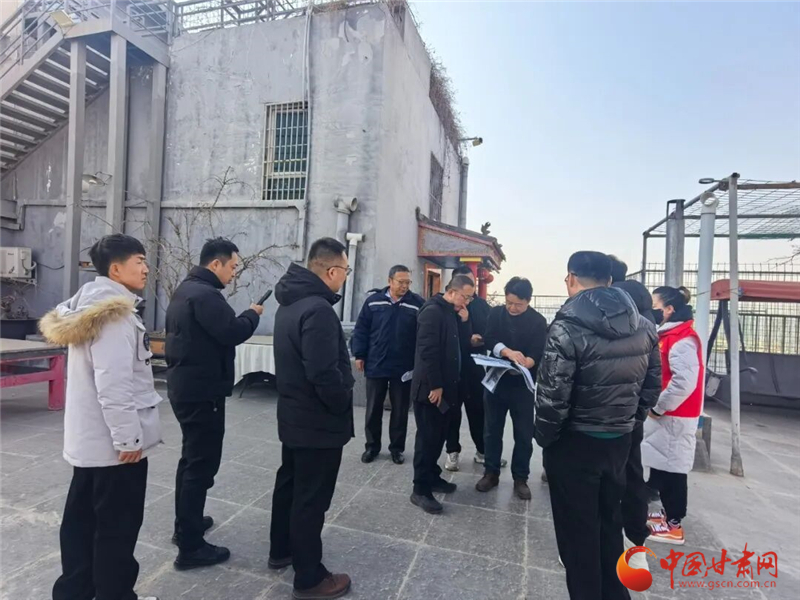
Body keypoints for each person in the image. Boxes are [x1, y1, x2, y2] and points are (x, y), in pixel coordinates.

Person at [40, 234, 162, 600]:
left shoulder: (86, 307)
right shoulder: (114, 316)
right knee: (116, 529)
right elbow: (114, 385)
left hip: (90, 443)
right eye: (139, 261)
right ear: (116, 269)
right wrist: (128, 439)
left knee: (81, 523)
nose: (146, 268)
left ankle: (74, 592)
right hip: (114, 449)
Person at [535, 251, 661, 600]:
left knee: (578, 538)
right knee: (609, 525)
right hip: (618, 442)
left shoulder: (566, 326)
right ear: (609, 280)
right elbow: (652, 387)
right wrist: (627, 422)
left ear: (571, 279)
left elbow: (552, 396)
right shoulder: (644, 326)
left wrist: (547, 441)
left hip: (574, 444)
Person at [166, 238, 262, 569]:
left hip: (187, 388)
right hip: (201, 393)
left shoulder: (187, 289)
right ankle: (191, 547)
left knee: (190, 461)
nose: (234, 273)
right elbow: (232, 331)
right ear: (215, 264)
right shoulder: (206, 295)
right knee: (201, 465)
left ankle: (186, 524)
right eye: (232, 266)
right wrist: (252, 314)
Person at [269, 238, 354, 599]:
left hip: (294, 415)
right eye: (346, 270)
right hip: (316, 422)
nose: (346, 276)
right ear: (332, 271)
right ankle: (309, 577)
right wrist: (341, 402)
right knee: (311, 499)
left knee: (291, 485)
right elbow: (323, 373)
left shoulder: (290, 303)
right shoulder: (318, 310)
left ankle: (281, 549)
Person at [642, 286, 704, 546]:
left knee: (674, 470)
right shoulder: (668, 335)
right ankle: (667, 515)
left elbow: (684, 383)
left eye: (655, 306)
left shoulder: (682, 339)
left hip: (675, 415)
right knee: (662, 464)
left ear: (669, 309)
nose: (652, 311)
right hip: (666, 415)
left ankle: (674, 524)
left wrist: (659, 406)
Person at [476, 277, 548, 500]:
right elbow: (489, 338)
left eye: (518, 304)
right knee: (491, 430)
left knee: (524, 433)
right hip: (496, 382)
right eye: (509, 302)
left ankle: (520, 478)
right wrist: (507, 352)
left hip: (522, 386)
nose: (512, 308)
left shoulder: (538, 321)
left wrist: (528, 362)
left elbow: (538, 350)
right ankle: (491, 472)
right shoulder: (496, 313)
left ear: (528, 301)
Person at [609, 255, 660, 566]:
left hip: (608, 412)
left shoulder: (612, 305)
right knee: (632, 472)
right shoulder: (646, 310)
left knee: (606, 479)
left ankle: (609, 543)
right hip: (632, 411)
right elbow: (654, 378)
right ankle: (636, 541)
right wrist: (639, 413)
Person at [409, 274, 475, 514]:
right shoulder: (432, 312)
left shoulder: (450, 312)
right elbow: (428, 352)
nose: (466, 302)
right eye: (465, 297)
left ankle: (433, 476)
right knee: (427, 439)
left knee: (438, 436)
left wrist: (465, 321)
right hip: (431, 390)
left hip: (448, 388)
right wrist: (436, 385)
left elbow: (460, 346)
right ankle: (420, 490)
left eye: (470, 298)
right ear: (452, 291)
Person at [351, 265, 424, 465]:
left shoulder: (417, 304)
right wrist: (359, 354)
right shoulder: (373, 301)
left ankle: (396, 449)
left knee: (400, 410)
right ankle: (372, 447)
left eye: (408, 282)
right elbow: (361, 329)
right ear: (390, 281)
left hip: (403, 366)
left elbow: (424, 332)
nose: (405, 286)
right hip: (377, 362)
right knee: (373, 408)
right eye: (401, 282)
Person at [443, 265, 497, 472]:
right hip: (452, 368)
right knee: (452, 412)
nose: (468, 293)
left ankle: (482, 450)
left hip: (475, 366)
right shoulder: (445, 307)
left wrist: (481, 339)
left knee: (478, 410)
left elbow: (491, 332)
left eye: (471, 284)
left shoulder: (481, 305)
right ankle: (452, 451)